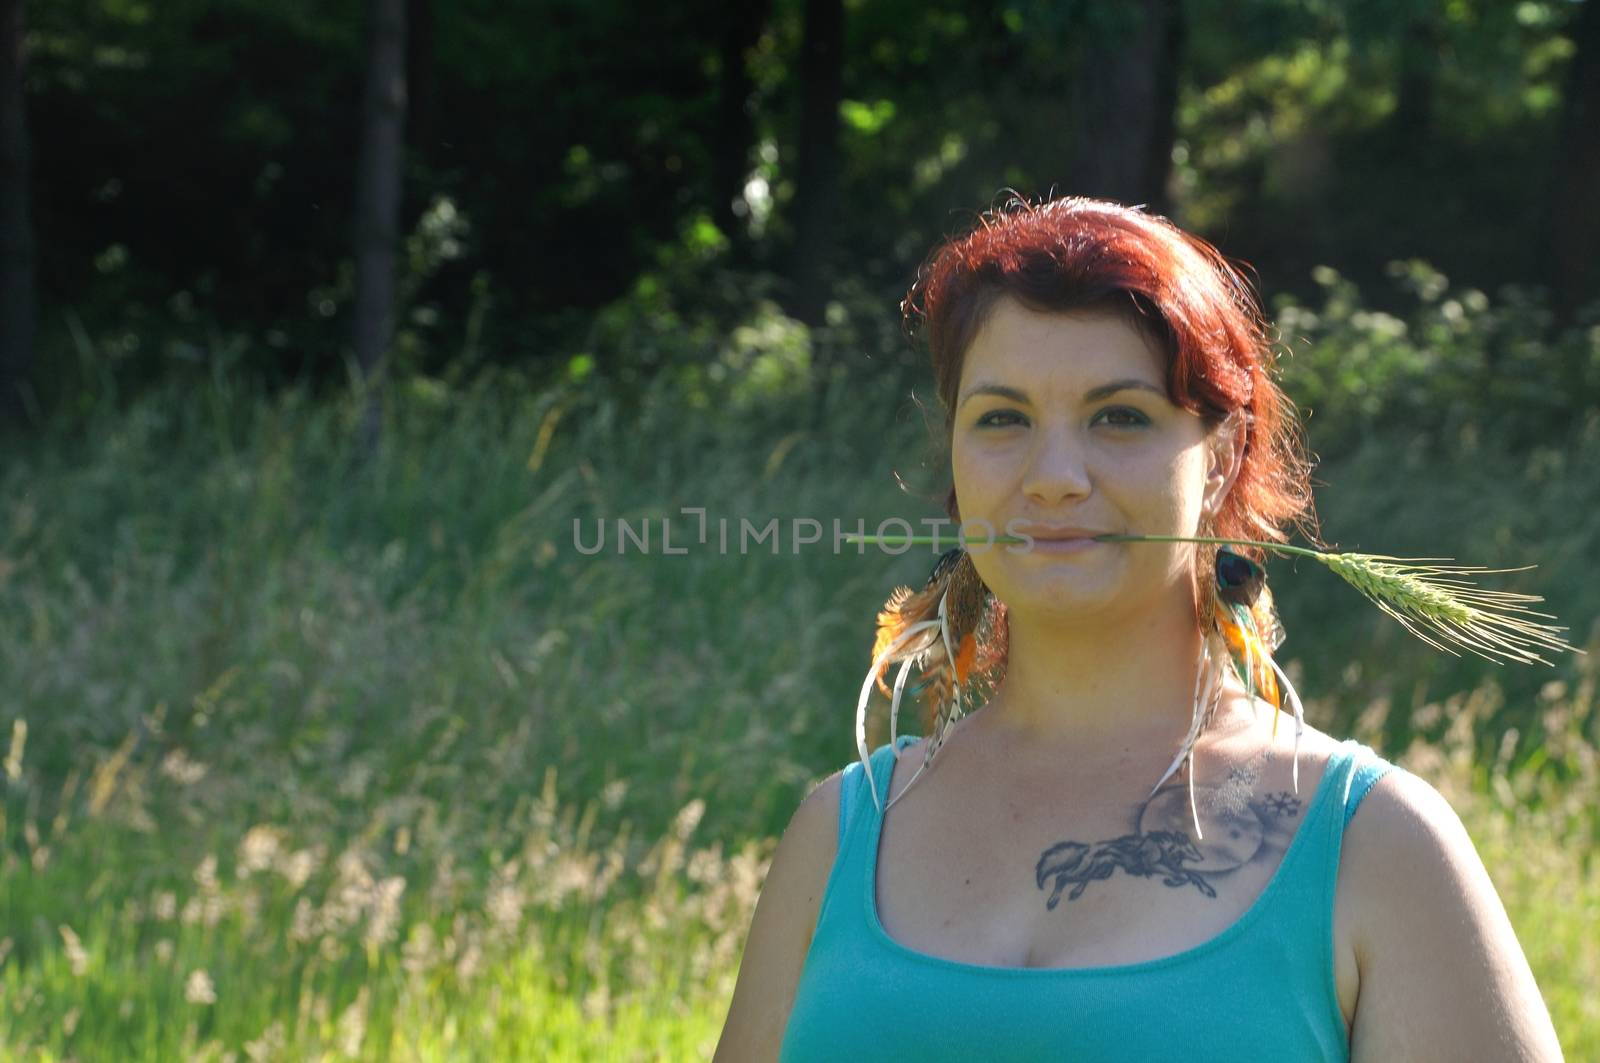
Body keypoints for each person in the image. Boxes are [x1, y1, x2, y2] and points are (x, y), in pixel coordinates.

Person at [713, 195, 1563, 1062]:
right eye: (1002, 418)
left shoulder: (1375, 846)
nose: (1053, 477)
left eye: (1118, 415)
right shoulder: (841, 833)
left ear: (1222, 455)